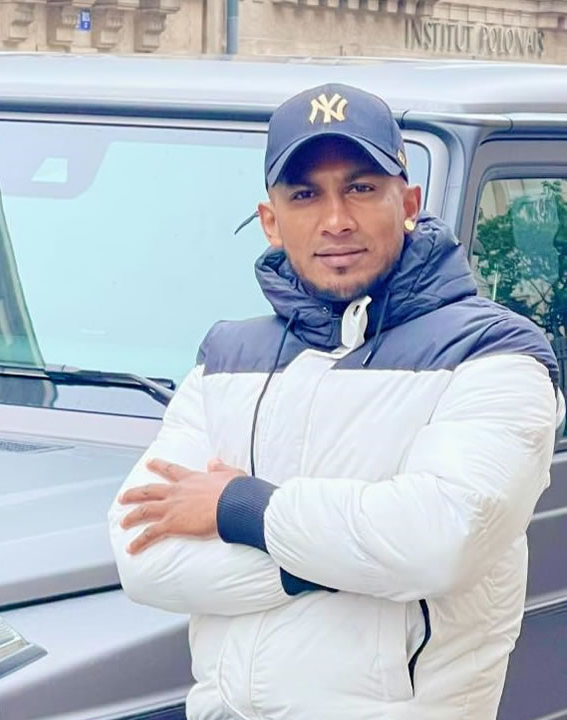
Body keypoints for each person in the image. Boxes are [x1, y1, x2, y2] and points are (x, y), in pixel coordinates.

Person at [107, 83, 565, 720]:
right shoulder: (226, 357)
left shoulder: (493, 353)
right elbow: (144, 559)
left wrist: (238, 507)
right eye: (305, 195)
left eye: (361, 188)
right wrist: (345, 561)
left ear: (409, 203)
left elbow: (438, 542)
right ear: (271, 221)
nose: (336, 220)